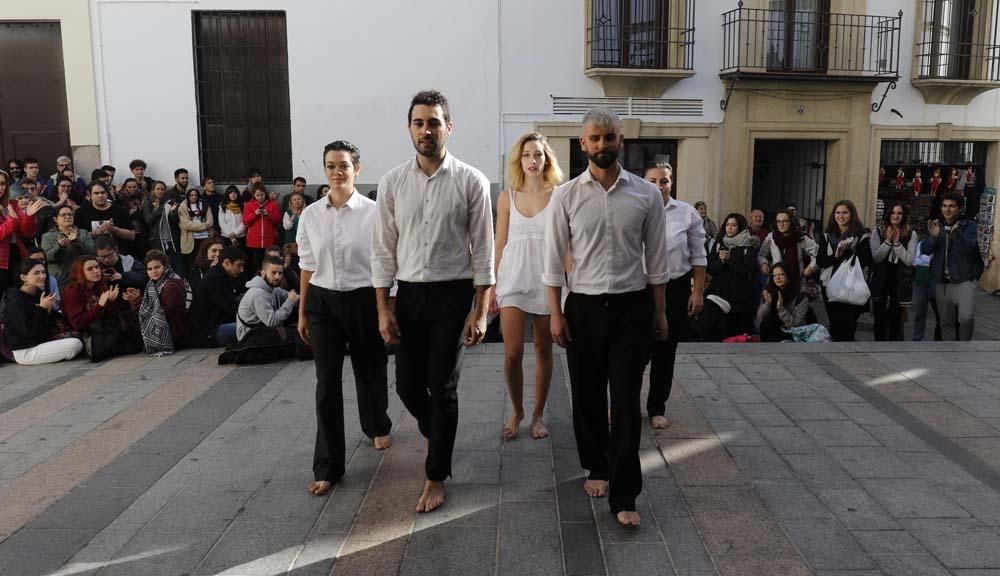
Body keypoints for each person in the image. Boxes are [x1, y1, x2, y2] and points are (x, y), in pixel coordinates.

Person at [372, 90, 495, 513]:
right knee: (407, 384)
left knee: (442, 387)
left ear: (449, 126)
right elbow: (384, 249)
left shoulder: (471, 180)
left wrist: (480, 310)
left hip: (453, 295)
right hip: (408, 295)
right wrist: (383, 307)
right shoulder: (392, 182)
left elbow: (483, 250)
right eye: (419, 122)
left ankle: (435, 474)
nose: (427, 130)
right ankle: (438, 431)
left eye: (434, 122)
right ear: (410, 128)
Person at [545, 109, 668, 528]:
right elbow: (551, 262)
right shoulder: (565, 196)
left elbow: (656, 261)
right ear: (583, 144)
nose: (602, 145)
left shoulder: (646, 195)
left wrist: (660, 312)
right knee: (588, 396)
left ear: (622, 141)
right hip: (582, 308)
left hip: (632, 309)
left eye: (609, 137)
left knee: (627, 401)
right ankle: (596, 466)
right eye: (594, 138)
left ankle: (625, 493)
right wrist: (555, 314)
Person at [297, 140, 393, 496]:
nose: (337, 172)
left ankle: (376, 424)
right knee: (327, 384)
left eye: (343, 165)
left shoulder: (373, 211)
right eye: (331, 166)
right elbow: (306, 265)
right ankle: (328, 466)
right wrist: (303, 310)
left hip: (364, 299)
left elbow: (385, 262)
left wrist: (386, 307)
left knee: (370, 369)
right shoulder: (310, 214)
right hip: (323, 303)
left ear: (357, 168)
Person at [491, 132, 563, 440]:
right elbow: (499, 242)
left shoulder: (559, 194)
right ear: (518, 160)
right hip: (513, 278)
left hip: (546, 278)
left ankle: (537, 414)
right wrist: (491, 287)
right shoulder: (507, 195)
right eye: (526, 155)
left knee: (544, 349)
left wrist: (569, 286)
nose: (532, 161)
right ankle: (517, 409)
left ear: (546, 159)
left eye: (538, 155)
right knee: (512, 354)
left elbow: (566, 244)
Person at [644, 162, 704, 429]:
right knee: (631, 351)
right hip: (638, 289)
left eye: (665, 181)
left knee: (665, 351)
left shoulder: (687, 214)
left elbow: (698, 256)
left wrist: (698, 291)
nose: (660, 185)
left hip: (675, 288)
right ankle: (623, 404)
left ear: (672, 183)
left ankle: (657, 407)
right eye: (654, 180)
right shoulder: (634, 210)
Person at [921, 193, 980, 341]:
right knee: (946, 322)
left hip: (964, 280)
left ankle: (964, 347)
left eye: (952, 206)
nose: (947, 210)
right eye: (945, 206)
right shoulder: (937, 226)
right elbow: (925, 250)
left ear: (960, 209)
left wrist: (958, 235)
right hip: (942, 282)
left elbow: (970, 250)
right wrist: (933, 237)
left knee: (965, 318)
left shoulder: (969, 226)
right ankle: (950, 354)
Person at [3, 259, 83, 365]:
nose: (42, 276)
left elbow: (47, 322)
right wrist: (42, 309)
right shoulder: (15, 301)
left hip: (42, 341)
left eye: (43, 272)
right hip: (25, 350)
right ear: (23, 277)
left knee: (80, 336)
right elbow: (29, 331)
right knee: (75, 344)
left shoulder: (38, 292)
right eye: (36, 273)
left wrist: (49, 311)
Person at [62, 255, 140, 360]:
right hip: (86, 335)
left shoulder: (100, 285)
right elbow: (78, 324)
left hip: (104, 329)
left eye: (97, 267)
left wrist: (111, 302)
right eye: (90, 269)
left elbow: (112, 316)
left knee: (134, 340)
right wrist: (99, 305)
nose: (96, 271)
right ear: (80, 272)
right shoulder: (72, 292)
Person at [817, 200, 872, 342]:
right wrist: (837, 255)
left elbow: (866, 259)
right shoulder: (827, 235)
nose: (841, 216)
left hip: (851, 285)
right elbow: (820, 261)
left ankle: (849, 355)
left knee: (848, 327)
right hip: (830, 285)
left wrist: (848, 251)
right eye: (837, 212)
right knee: (835, 325)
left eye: (845, 212)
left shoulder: (861, 236)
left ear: (852, 214)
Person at [870, 203, 918, 341]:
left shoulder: (911, 234)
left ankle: (893, 343)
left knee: (896, 316)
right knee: (879, 315)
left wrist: (897, 243)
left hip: (900, 279)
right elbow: (876, 257)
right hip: (881, 277)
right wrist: (887, 241)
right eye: (893, 213)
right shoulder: (878, 232)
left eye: (899, 213)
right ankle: (878, 342)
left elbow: (909, 260)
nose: (895, 216)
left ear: (904, 216)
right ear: (888, 214)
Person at [707, 213, 759, 337]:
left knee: (737, 333)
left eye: (734, 225)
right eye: (727, 225)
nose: (729, 228)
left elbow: (747, 271)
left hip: (740, 298)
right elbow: (710, 268)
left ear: (740, 227)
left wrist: (730, 259)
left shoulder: (748, 246)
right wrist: (721, 261)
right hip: (720, 294)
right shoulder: (719, 244)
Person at [127, 250, 187, 356]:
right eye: (150, 269)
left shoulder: (171, 286)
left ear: (165, 266)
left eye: (157, 267)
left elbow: (162, 313)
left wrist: (138, 301)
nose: (153, 271)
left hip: (175, 334)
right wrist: (137, 299)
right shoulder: (154, 283)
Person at [188, 245, 247, 347]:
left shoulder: (228, 275)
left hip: (218, 326)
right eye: (239, 265)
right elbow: (231, 307)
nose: (241, 270)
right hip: (208, 333)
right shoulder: (215, 278)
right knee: (252, 329)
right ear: (226, 263)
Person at [236, 255, 299, 341]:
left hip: (261, 329)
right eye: (273, 272)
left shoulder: (272, 288)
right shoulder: (258, 294)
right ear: (263, 273)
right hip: (248, 335)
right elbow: (272, 322)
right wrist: (290, 302)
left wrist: (300, 299)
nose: (277, 277)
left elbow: (289, 296)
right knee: (294, 339)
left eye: (280, 273)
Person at [758, 209, 819, 295]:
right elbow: (761, 255)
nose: (781, 224)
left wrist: (811, 268)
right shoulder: (770, 238)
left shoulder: (800, 238)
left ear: (791, 222)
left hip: (797, 282)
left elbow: (819, 254)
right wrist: (763, 264)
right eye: (778, 221)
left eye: (785, 221)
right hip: (776, 282)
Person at [1, 169, 42, 292]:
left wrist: (29, 217)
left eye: (3, 184)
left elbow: (27, 233)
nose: (0, 187)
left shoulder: (12, 204)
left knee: (19, 293)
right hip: (1, 261)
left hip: (17, 254)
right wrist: (12, 221)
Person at [74, 181, 136, 256]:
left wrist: (113, 229)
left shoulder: (120, 210)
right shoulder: (81, 212)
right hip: (92, 256)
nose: (100, 195)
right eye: (96, 193)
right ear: (90, 195)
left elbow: (132, 236)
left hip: (118, 254)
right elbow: (77, 238)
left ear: (107, 194)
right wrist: (96, 233)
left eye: (103, 192)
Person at [41, 205, 95, 289]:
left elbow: (92, 253)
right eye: (63, 215)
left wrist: (76, 241)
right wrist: (60, 246)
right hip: (61, 281)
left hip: (83, 278)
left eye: (70, 214)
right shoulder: (47, 237)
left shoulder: (83, 233)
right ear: (55, 219)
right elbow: (47, 257)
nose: (67, 217)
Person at [756, 262, 810, 342]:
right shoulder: (769, 291)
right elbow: (759, 320)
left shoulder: (800, 295)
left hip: (793, 332)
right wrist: (767, 304)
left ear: (788, 276)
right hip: (772, 332)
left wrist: (781, 309)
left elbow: (796, 324)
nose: (777, 278)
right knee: (767, 321)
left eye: (781, 274)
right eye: (774, 275)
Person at [143, 180, 183, 274]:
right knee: (161, 266)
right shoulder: (148, 202)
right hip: (157, 240)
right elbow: (149, 221)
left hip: (171, 239)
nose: (160, 191)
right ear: (153, 190)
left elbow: (176, 221)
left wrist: (172, 212)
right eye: (158, 189)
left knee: (176, 266)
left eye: (162, 189)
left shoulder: (171, 202)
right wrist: (156, 210)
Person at [242, 183, 281, 272]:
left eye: (262, 195)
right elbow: (245, 221)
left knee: (269, 265)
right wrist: (254, 214)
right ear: (254, 195)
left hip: (269, 240)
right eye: (257, 195)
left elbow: (278, 220)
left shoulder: (273, 204)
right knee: (256, 266)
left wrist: (268, 215)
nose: (260, 197)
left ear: (265, 194)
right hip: (254, 242)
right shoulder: (249, 205)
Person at [911, 236, 942, 341]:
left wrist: (924, 260)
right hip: (921, 278)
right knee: (920, 309)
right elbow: (915, 261)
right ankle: (918, 337)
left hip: (936, 280)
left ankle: (939, 338)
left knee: (940, 312)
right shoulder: (922, 243)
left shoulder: (941, 246)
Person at [178, 188, 215, 275]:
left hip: (205, 238)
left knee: (205, 261)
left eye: (196, 195)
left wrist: (203, 226)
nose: (194, 197)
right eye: (191, 195)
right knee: (192, 264)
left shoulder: (205, 205)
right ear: (188, 196)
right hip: (191, 240)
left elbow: (210, 222)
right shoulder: (183, 207)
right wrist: (204, 226)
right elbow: (186, 225)